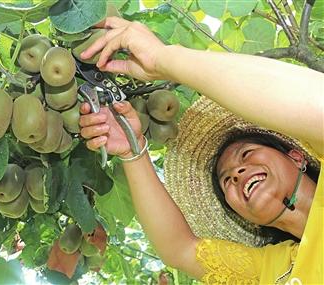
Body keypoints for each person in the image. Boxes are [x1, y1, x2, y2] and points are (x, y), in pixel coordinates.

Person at [78, 17, 323, 284]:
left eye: (247, 154)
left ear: (296, 156)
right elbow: (179, 249)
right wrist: (131, 150)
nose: (237, 174)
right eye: (227, 180)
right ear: (246, 218)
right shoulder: (272, 271)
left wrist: (163, 59)